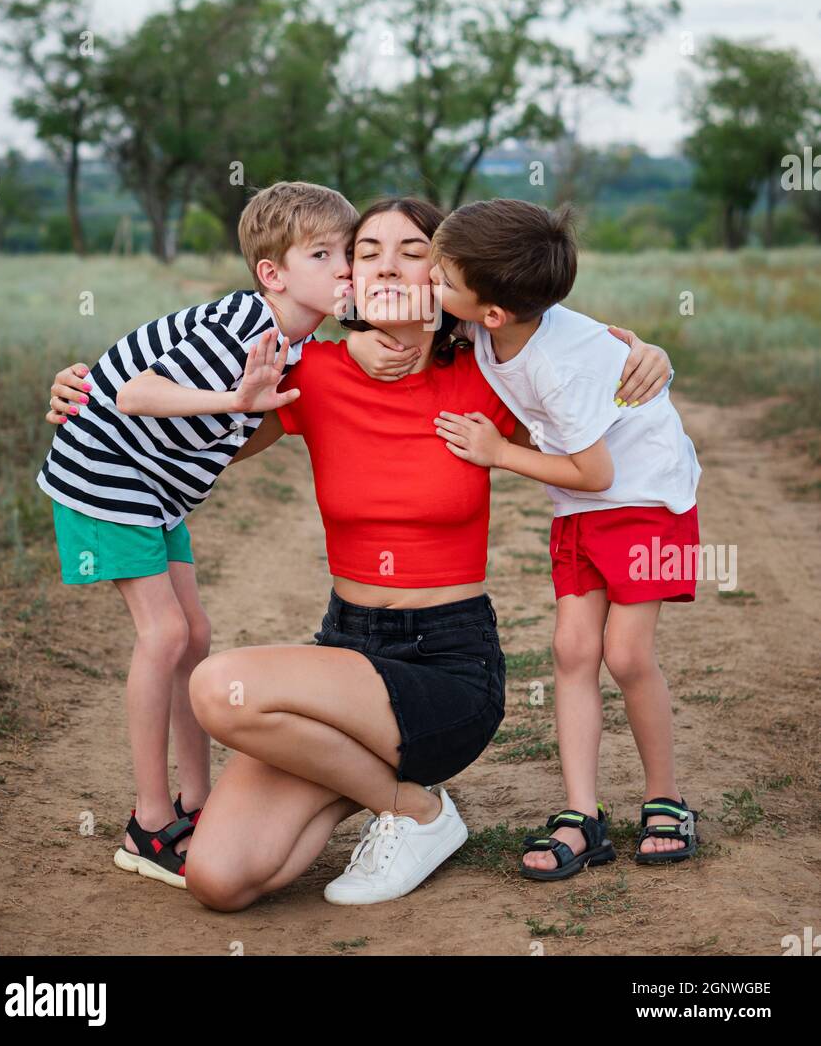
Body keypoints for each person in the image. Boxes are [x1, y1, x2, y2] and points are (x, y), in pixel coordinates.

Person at [47, 195, 670, 908]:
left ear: (445, 274)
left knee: (219, 687)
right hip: (345, 653)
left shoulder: (490, 373)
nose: (387, 264)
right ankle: (400, 798)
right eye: (366, 250)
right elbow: (192, 436)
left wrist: (650, 354)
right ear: (349, 278)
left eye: (413, 250)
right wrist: (86, 395)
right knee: (220, 879)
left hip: (447, 668)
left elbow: (578, 356)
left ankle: (416, 814)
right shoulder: (309, 373)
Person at [37, 180, 359, 886]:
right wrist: (235, 398)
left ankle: (197, 800)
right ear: (273, 273)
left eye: (348, 253)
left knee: (197, 634)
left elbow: (240, 433)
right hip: (108, 472)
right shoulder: (247, 327)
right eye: (323, 254)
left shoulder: (294, 344)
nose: (345, 269)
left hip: (156, 490)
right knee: (166, 636)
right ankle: (148, 823)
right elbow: (134, 394)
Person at [426, 197, 702, 879]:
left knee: (627, 654)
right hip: (583, 506)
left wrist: (497, 453)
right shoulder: (489, 322)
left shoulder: (557, 360)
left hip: (649, 498)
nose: (432, 286)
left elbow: (595, 467)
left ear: (490, 311)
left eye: (441, 278)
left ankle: (665, 797)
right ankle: (584, 814)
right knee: (572, 647)